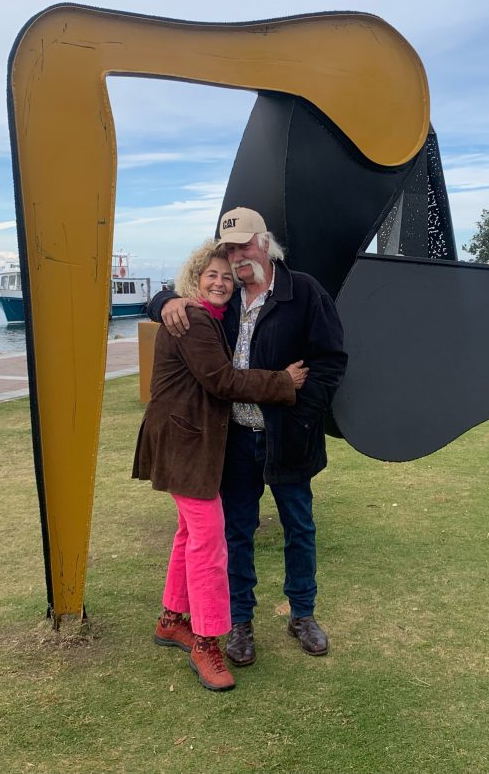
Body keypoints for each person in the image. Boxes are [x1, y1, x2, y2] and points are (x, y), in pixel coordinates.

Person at [152, 207, 347, 667]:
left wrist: (303, 415)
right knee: (236, 531)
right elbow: (183, 304)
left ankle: (302, 613)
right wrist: (163, 301)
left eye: (245, 246)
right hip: (234, 439)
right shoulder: (224, 300)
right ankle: (240, 621)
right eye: (230, 250)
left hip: (288, 435)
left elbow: (331, 362)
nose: (239, 257)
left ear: (266, 243)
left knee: (299, 528)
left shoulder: (304, 293)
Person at [133, 242, 308, 692]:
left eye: (227, 277)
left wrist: (163, 301)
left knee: (190, 534)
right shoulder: (191, 319)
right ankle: (207, 640)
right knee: (210, 541)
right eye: (211, 274)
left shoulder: (206, 317)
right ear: (195, 278)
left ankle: (172, 618)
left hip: (184, 443)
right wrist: (283, 382)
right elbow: (223, 381)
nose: (219, 282)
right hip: (184, 445)